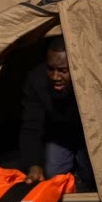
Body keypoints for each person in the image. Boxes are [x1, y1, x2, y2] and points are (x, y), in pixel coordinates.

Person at [18, 35, 96, 192]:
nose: (55, 76)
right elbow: (31, 127)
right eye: (50, 69)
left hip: (89, 134)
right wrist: (34, 165)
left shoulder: (91, 79)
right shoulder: (36, 80)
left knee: (93, 175)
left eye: (63, 70)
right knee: (52, 174)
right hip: (58, 134)